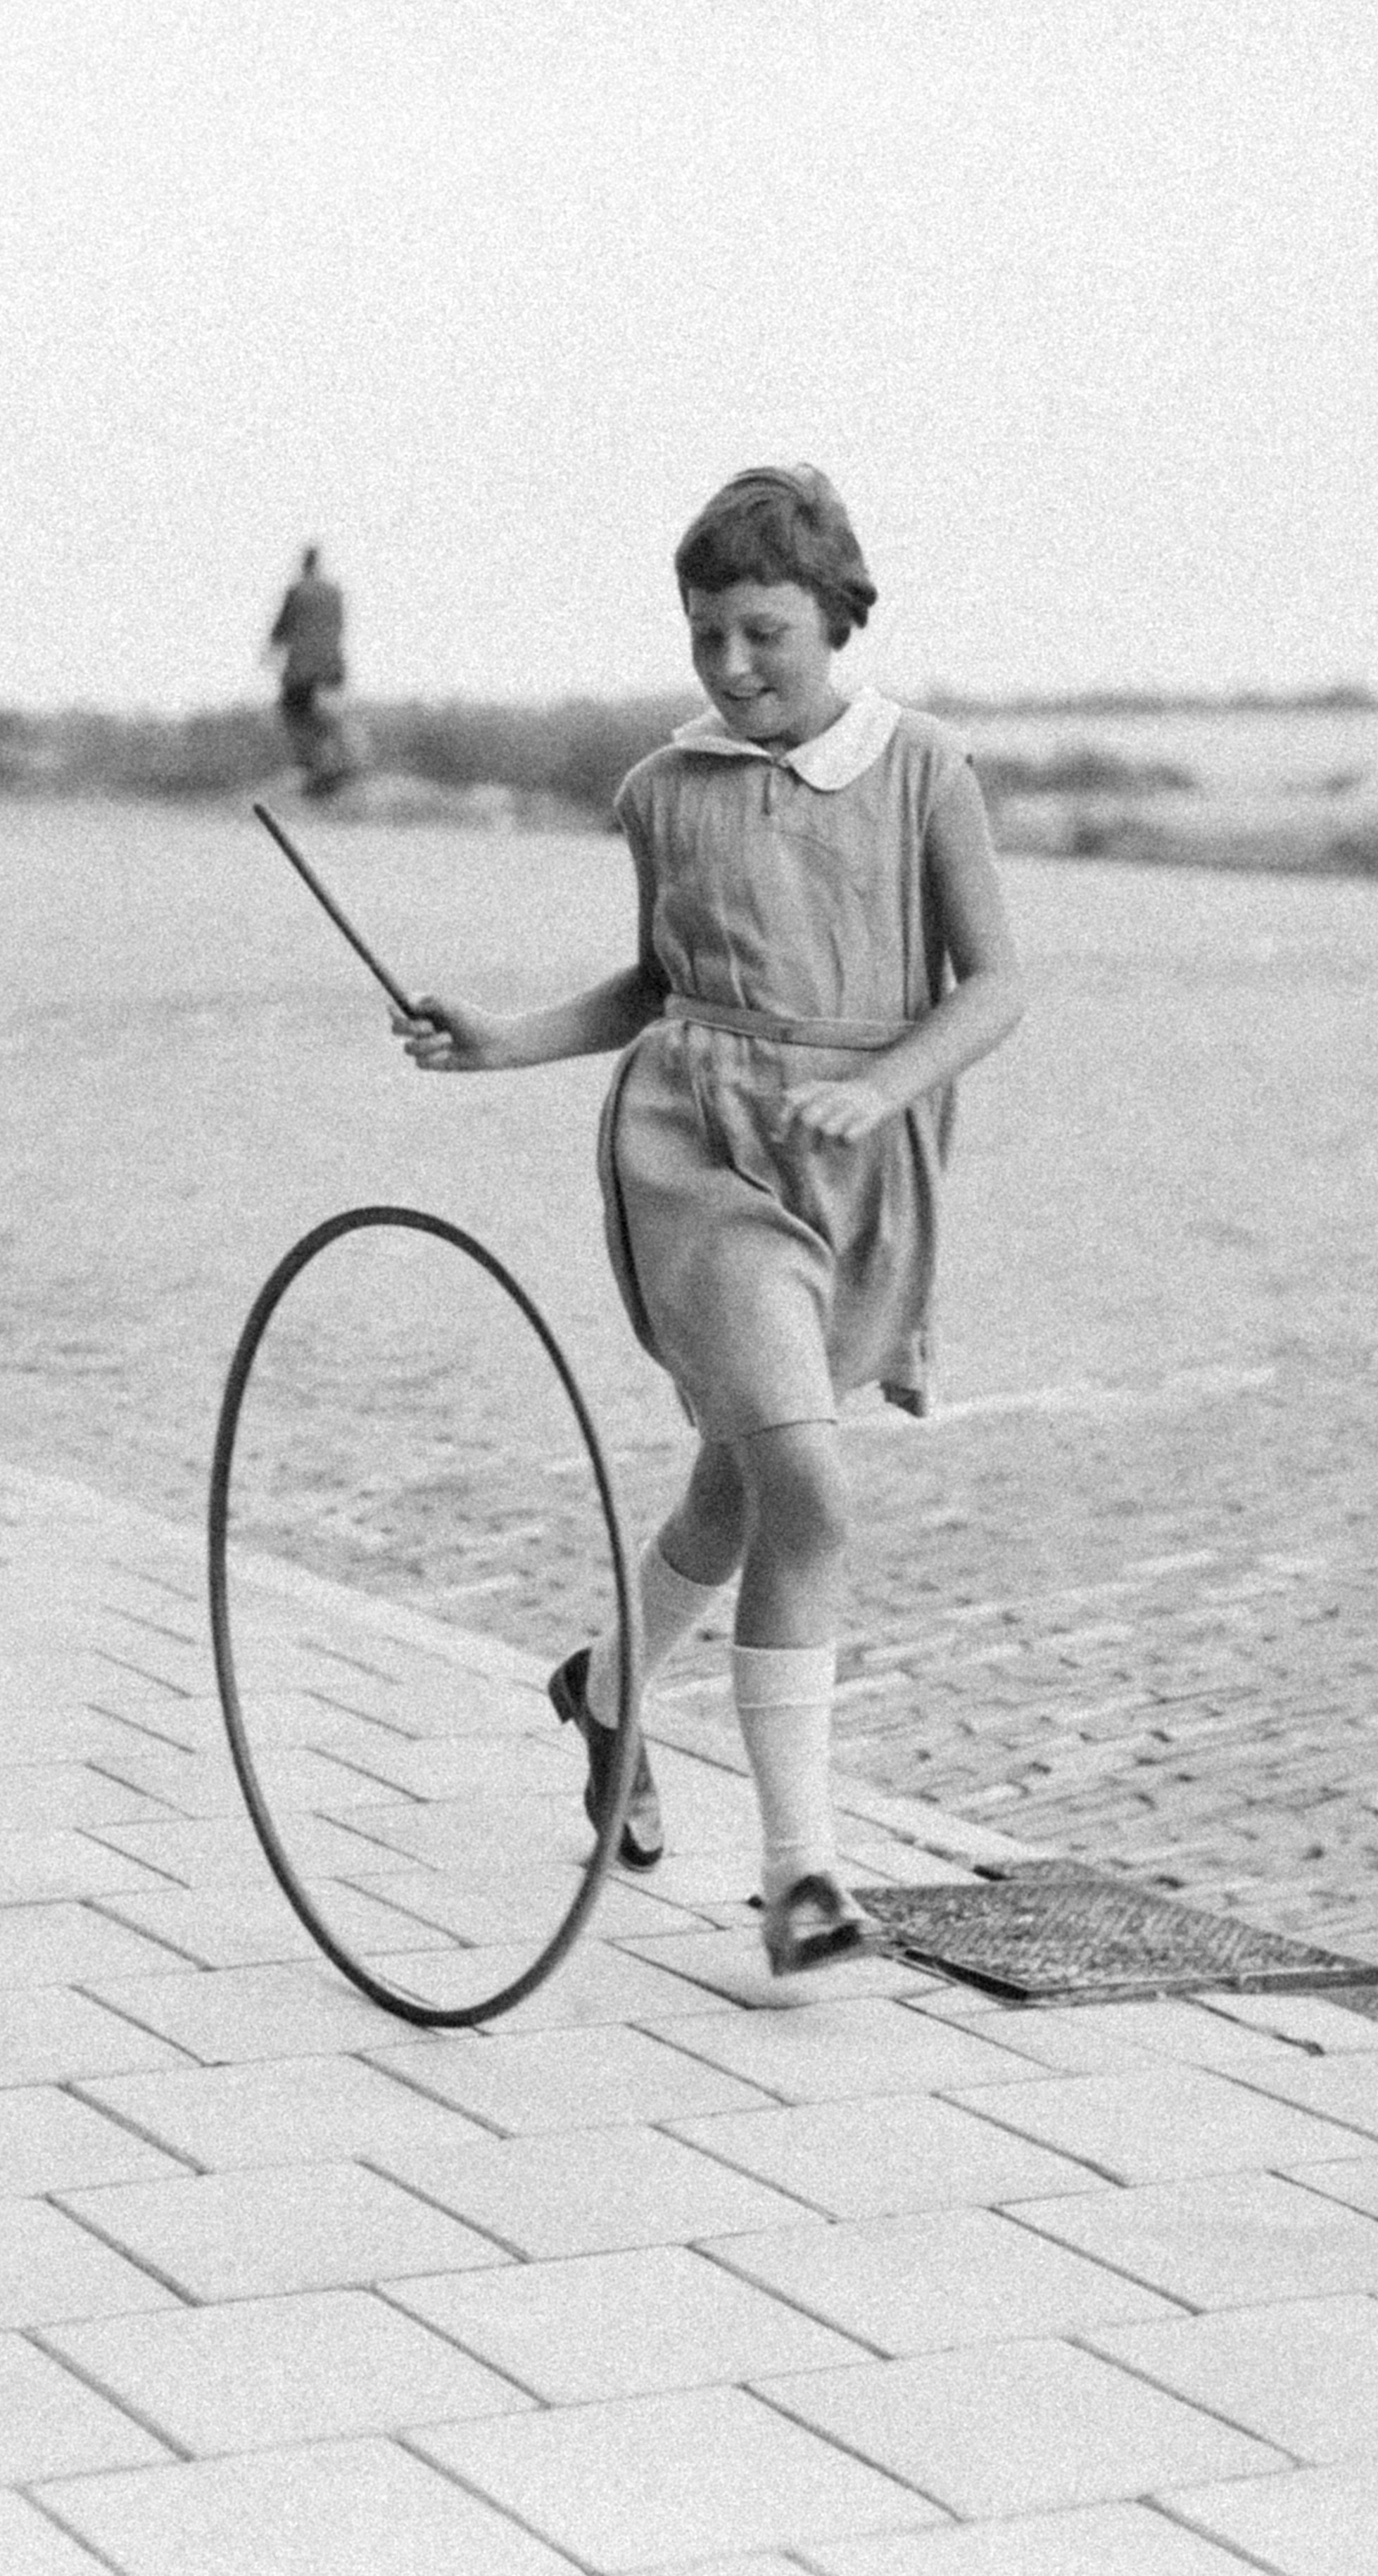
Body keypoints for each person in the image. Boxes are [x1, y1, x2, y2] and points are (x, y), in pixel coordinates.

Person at [395, 464, 1025, 1974]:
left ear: (838, 618)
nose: (731, 667)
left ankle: (608, 1688)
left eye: (764, 635)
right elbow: (654, 988)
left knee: (738, 1494)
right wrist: (506, 1041)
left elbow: (995, 982)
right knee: (808, 1493)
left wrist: (882, 1090)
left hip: (855, 1162)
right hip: (699, 1158)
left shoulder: (923, 768)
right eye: (704, 638)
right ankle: (804, 1881)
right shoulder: (659, 788)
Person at [264, 544, 352, 796]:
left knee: (294, 716)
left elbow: (281, 628)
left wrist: (270, 653)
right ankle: (338, 764)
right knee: (329, 718)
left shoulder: (297, 591)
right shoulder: (334, 592)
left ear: (304, 564)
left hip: (302, 670)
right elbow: (339, 627)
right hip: (332, 668)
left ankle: (315, 768)